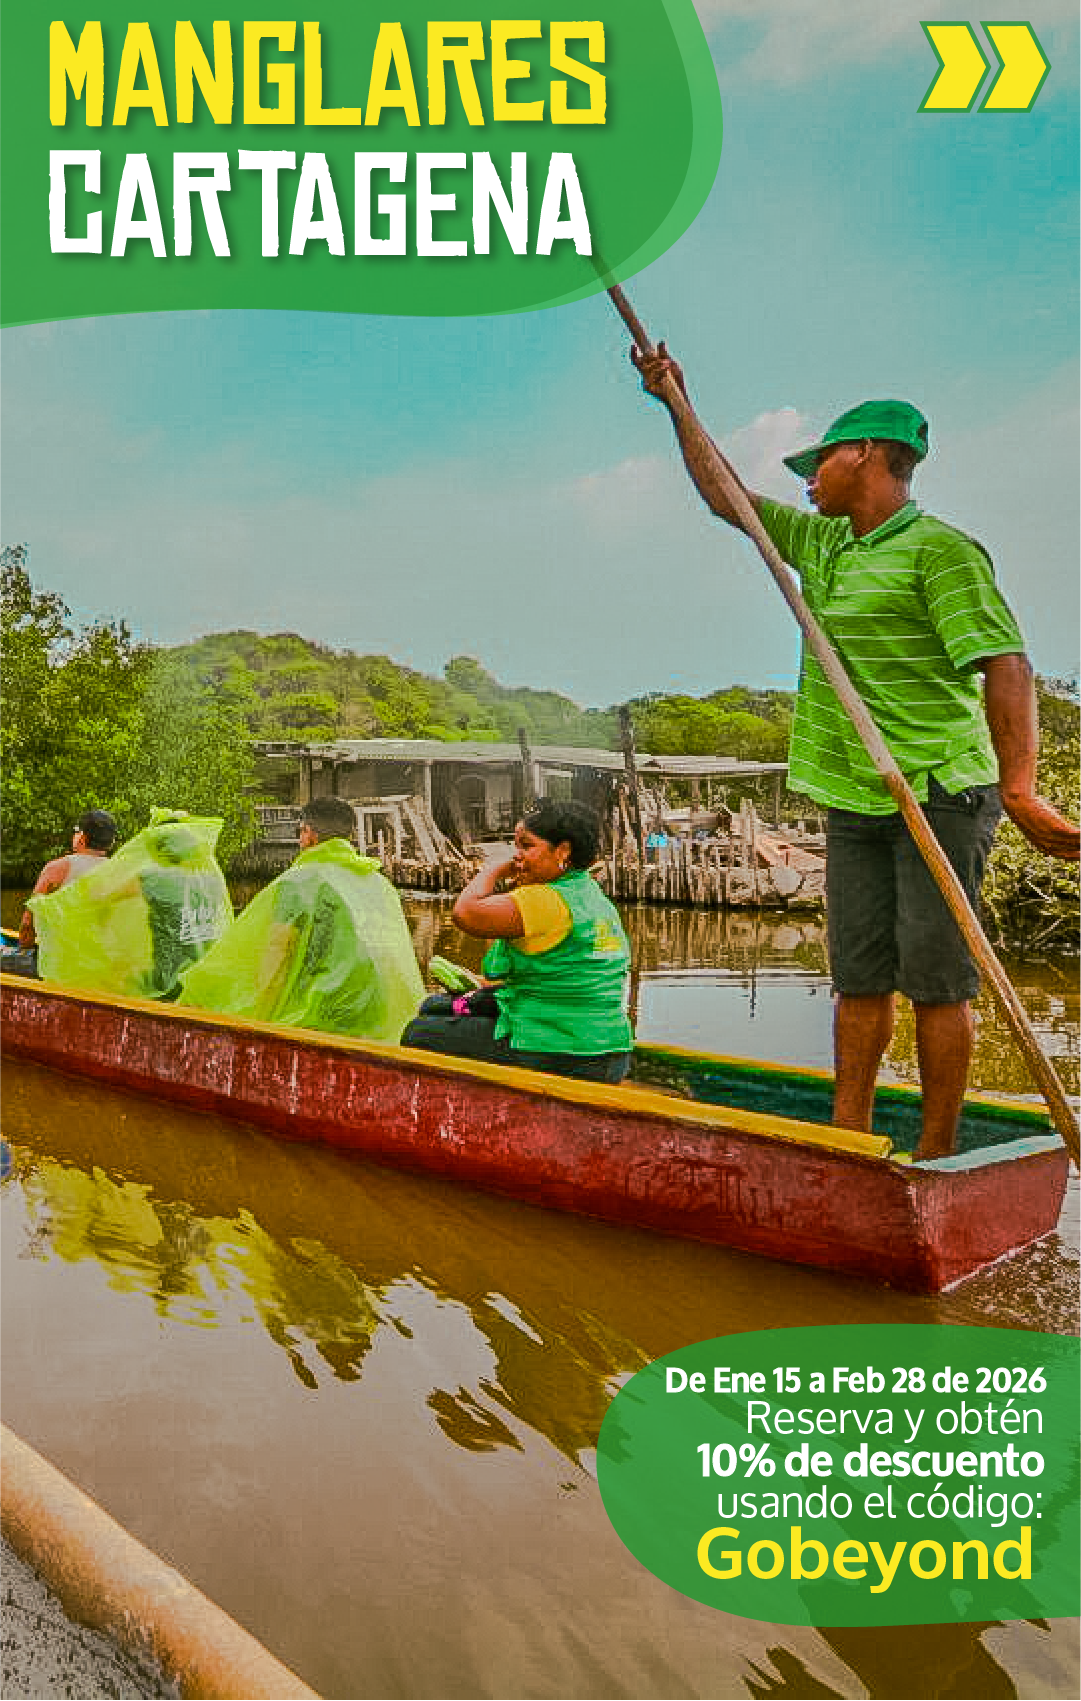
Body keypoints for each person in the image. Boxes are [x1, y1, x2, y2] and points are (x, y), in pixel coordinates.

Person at [634, 347, 1081, 1157]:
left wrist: (1019, 790)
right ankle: (848, 1140)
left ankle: (938, 1153)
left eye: (821, 461)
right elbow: (724, 497)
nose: (807, 477)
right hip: (853, 789)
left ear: (869, 455)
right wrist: (676, 402)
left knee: (939, 985)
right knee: (858, 979)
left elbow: (1004, 662)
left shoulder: (938, 550)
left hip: (938, 787)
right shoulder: (823, 545)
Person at [402, 799, 634, 1083]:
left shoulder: (544, 899)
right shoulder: (592, 896)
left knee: (418, 1032)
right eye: (516, 847)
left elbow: (465, 913)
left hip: (564, 1052)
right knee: (434, 1006)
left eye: (527, 846)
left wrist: (495, 870)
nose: (517, 856)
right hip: (610, 1051)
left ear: (563, 851)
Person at [178, 795, 424, 1042]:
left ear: (309, 834)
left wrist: (254, 1023)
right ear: (349, 836)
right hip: (377, 1016)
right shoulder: (377, 882)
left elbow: (277, 955)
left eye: (301, 832)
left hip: (322, 1016)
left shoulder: (299, 883)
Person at [30, 809, 232, 1000]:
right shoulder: (210, 879)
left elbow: (97, 897)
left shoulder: (155, 878)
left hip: (164, 979)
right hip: (201, 975)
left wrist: (47, 906)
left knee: (118, 976)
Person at [0, 808, 117, 979]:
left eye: (76, 832)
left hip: (59, 966)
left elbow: (27, 924)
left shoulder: (57, 868)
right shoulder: (121, 871)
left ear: (82, 837)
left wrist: (25, 952)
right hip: (101, 965)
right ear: (111, 842)